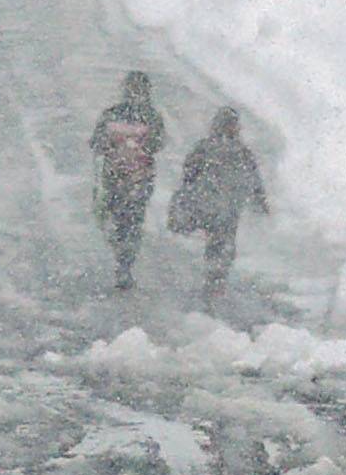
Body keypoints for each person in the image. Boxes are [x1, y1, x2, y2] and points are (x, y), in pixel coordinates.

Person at [168, 106, 268, 302]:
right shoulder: (242, 152)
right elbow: (254, 179)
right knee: (222, 243)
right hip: (228, 208)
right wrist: (259, 201)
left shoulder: (204, 148)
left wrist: (186, 199)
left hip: (207, 204)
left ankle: (213, 278)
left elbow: (189, 174)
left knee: (215, 240)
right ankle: (216, 280)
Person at [87, 70, 167, 290]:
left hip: (114, 177)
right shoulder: (152, 117)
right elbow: (158, 145)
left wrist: (114, 146)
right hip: (140, 180)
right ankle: (125, 262)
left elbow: (96, 143)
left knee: (116, 218)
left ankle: (121, 253)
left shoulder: (111, 114)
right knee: (133, 221)